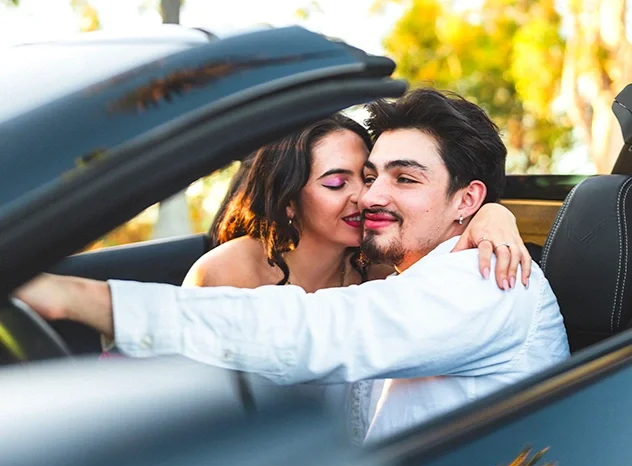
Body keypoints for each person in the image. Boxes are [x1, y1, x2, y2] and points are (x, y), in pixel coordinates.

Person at [15, 87, 570, 443]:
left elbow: (316, 332)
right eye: (369, 175)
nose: (370, 196)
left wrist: (81, 298)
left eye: (405, 178)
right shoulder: (407, 274)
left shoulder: (488, 281)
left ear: (465, 199)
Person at [181, 113, 531, 442]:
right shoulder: (227, 271)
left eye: (364, 178)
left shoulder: (383, 268)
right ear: (289, 201)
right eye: (336, 183)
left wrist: (492, 213)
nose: (365, 197)